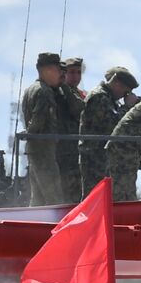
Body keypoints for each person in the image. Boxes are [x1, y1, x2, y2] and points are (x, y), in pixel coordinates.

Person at [79, 65, 139, 196]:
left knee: (103, 197)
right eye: (125, 91)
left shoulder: (109, 98)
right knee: (94, 197)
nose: (124, 96)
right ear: (117, 83)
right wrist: (127, 107)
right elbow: (112, 124)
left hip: (101, 156)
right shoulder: (100, 97)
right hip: (94, 157)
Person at [21, 51, 66, 205]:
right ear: (47, 70)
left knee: (38, 198)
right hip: (44, 150)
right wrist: (32, 133)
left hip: (35, 150)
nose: (60, 74)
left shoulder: (30, 89)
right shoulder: (44, 91)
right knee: (54, 197)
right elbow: (38, 121)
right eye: (57, 70)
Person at [55, 57, 87, 202]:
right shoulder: (60, 91)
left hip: (76, 150)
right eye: (72, 72)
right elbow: (78, 110)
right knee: (66, 193)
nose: (76, 76)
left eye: (79, 72)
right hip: (63, 151)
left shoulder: (79, 93)